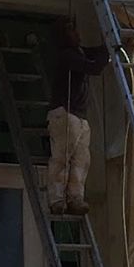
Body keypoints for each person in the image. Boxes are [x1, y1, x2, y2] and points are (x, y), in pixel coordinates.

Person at [47, 17, 109, 216]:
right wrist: (110, 49)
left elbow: (96, 53)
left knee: (81, 160)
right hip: (65, 113)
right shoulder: (66, 56)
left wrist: (110, 46)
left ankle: (75, 198)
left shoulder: (78, 52)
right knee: (62, 158)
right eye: (71, 31)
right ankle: (57, 199)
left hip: (78, 115)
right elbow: (94, 67)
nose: (77, 34)